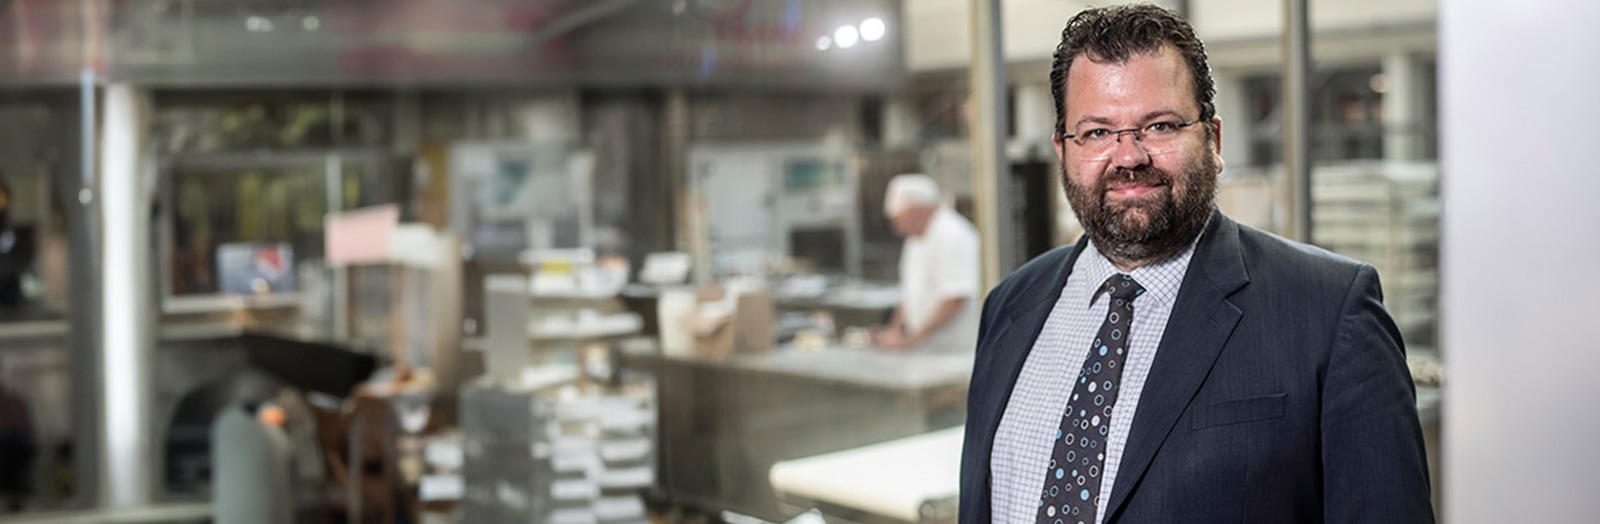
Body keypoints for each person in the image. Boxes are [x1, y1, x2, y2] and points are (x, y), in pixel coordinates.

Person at [958, 5, 1433, 524]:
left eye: (1159, 126)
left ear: (1213, 139)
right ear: (1063, 150)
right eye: (1096, 132)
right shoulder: (1010, 306)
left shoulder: (1330, 310)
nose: (1129, 156)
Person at [871, 174, 980, 353]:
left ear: (919, 209)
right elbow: (909, 292)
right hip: (925, 347)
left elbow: (955, 298)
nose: (896, 228)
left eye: (900, 219)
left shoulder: (954, 235)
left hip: (954, 350)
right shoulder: (915, 238)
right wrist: (895, 331)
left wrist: (915, 338)